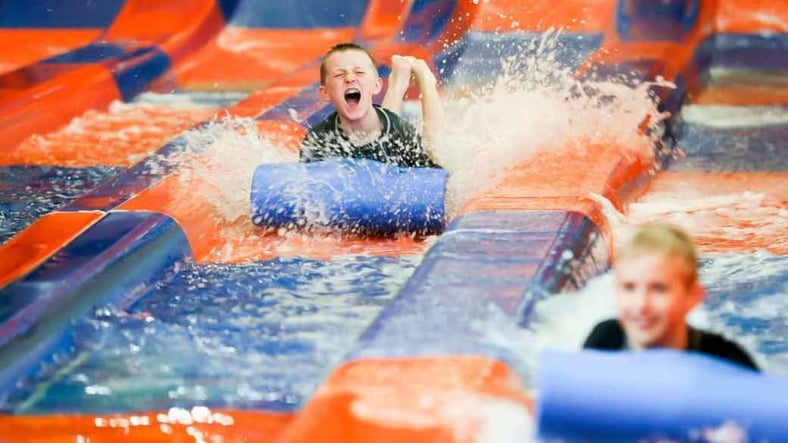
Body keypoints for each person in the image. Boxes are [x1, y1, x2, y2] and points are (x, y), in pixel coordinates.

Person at [583, 223, 758, 371]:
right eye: (629, 288)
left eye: (658, 289)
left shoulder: (726, 363)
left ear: (693, 297)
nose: (641, 304)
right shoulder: (604, 342)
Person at [299, 43, 445, 168]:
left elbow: (433, 175)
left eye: (359, 72)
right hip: (383, 128)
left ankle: (426, 82)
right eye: (339, 75)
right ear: (325, 93)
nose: (350, 78)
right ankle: (398, 82)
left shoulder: (401, 132)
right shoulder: (319, 139)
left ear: (376, 86)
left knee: (435, 153)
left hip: (391, 130)